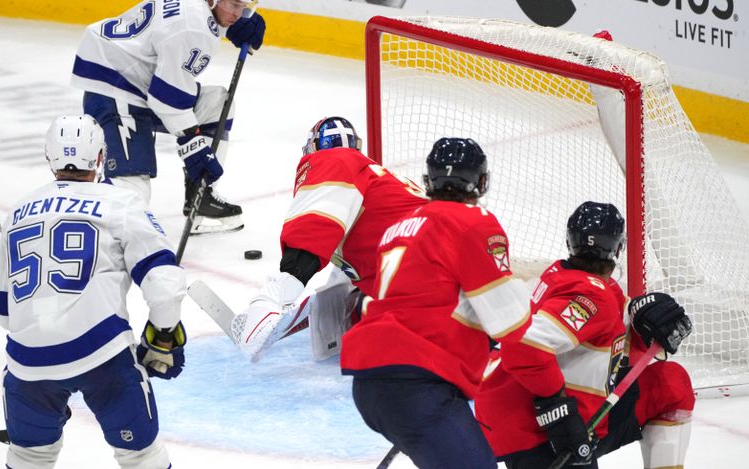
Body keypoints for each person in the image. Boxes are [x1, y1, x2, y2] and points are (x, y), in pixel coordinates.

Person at [0, 115, 188, 469]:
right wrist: (163, 337)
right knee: (142, 456)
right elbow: (166, 286)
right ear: (100, 158)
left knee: (27, 457)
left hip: (27, 364)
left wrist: (51, 369)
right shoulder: (121, 203)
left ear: (49, 158)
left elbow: (3, 314)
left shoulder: (16, 213)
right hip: (102, 355)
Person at [340, 137, 533, 469]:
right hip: (417, 384)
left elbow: (428, 296)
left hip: (371, 382)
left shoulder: (398, 227)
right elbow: (510, 322)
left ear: (428, 180)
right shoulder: (474, 221)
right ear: (482, 181)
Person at [475, 201, 695, 469]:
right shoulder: (592, 295)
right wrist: (558, 410)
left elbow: (610, 346)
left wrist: (645, 323)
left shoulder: (566, 276)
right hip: (537, 433)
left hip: (530, 418)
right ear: (618, 247)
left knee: (669, 384)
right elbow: (522, 347)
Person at [70, 0, 266, 234]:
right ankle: (76, 224)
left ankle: (200, 201)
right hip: (115, 82)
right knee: (132, 193)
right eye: (234, 4)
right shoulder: (190, 28)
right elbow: (166, 99)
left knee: (217, 105)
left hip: (139, 76)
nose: (238, 12)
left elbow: (169, 89)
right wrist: (193, 146)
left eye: (243, 5)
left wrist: (236, 21)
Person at [231, 116, 427, 361]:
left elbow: (315, 228)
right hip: (459, 277)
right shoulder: (381, 180)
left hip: (426, 282)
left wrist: (271, 300)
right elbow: (372, 244)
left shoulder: (335, 160)